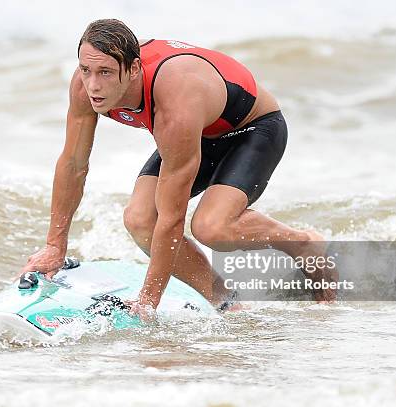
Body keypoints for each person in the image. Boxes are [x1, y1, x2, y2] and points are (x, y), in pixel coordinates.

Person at [18, 19, 335, 320]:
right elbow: (73, 164)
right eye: (86, 70)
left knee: (211, 227)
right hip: (192, 134)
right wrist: (55, 246)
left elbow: (172, 217)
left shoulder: (174, 97)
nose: (93, 84)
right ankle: (225, 300)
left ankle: (303, 243)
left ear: (132, 69)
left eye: (105, 72)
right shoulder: (84, 86)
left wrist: (147, 302)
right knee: (139, 219)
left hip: (252, 130)